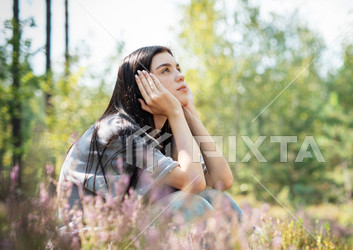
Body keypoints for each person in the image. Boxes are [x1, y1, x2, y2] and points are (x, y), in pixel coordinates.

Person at [57, 46, 242, 224]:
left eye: (178, 68)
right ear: (141, 86)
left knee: (218, 199)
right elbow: (193, 182)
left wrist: (189, 112)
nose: (181, 76)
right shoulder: (118, 131)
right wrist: (176, 113)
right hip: (90, 242)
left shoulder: (163, 134)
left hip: (126, 228)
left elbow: (221, 180)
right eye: (165, 71)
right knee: (195, 204)